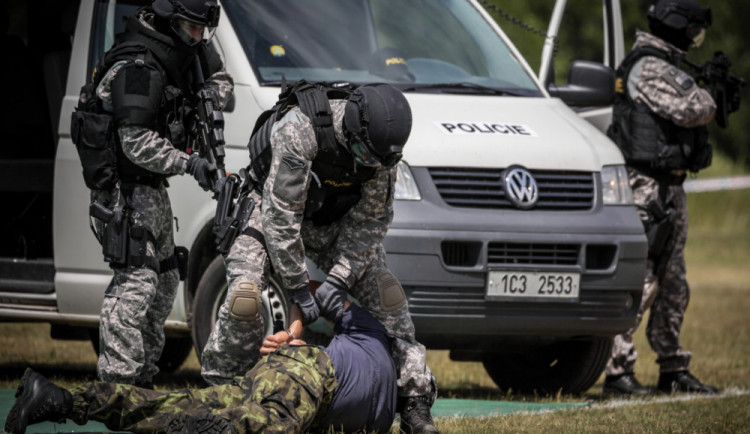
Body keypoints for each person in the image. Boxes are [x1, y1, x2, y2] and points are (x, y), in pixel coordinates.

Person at [200, 82, 439, 433]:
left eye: (378, 161)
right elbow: (282, 220)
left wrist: (340, 277)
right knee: (245, 298)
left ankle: (415, 402)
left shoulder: (380, 153)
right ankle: (222, 392)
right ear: (353, 130)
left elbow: (371, 223)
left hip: (333, 224)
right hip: (267, 215)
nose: (370, 165)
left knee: (389, 297)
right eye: (365, 155)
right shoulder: (301, 130)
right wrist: (299, 288)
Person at [82, 0, 233, 388]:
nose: (197, 37)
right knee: (136, 282)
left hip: (152, 189)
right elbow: (134, 142)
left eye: (203, 30)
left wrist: (210, 97)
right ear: (169, 20)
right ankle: (118, 382)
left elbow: (223, 82)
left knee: (166, 280)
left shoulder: (186, 50)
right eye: (190, 28)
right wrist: (190, 164)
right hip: (123, 191)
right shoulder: (138, 66)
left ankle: (143, 376)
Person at [4, 287, 399, 434]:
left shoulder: (372, 333)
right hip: (312, 375)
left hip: (287, 366)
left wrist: (293, 331)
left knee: (185, 403)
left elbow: (311, 290)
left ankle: (61, 398)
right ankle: (207, 429)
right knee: (265, 427)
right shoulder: (384, 409)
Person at [603, 0, 719, 396]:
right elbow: (692, 108)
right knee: (643, 277)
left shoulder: (668, 63)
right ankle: (617, 370)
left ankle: (673, 367)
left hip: (671, 185)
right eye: (692, 29)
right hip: (646, 187)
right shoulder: (648, 65)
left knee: (673, 283)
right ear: (675, 25)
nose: (695, 37)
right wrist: (710, 95)